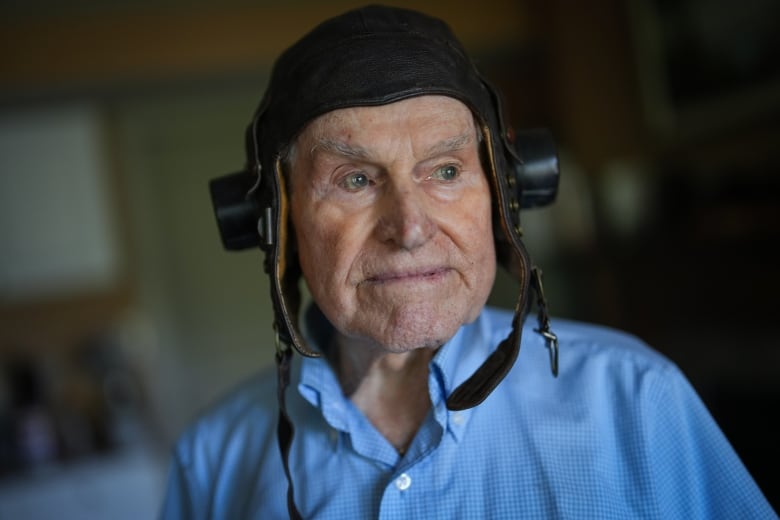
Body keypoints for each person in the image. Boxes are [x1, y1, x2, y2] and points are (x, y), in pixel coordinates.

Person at [160, 5, 776, 519]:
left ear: (507, 196)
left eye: (447, 170)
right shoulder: (214, 461)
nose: (410, 228)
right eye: (354, 180)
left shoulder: (638, 400)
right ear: (278, 228)